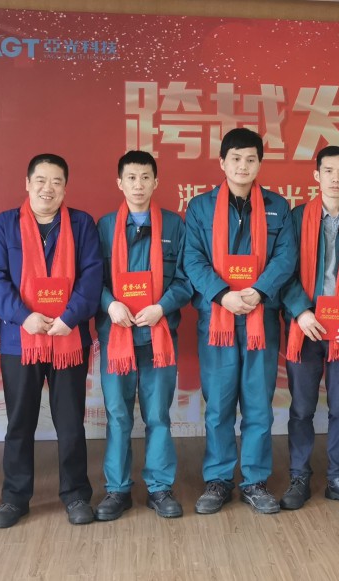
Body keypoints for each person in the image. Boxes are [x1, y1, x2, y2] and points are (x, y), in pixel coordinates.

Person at [0, 154, 102, 527]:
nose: (48, 188)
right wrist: (25, 317)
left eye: (56, 181)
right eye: (41, 180)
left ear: (65, 187)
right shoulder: (4, 225)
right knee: (19, 421)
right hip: (21, 340)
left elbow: (92, 276)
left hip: (69, 338)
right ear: (27, 183)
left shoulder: (82, 224)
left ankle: (76, 494)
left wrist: (70, 318)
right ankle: (14, 498)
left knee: (70, 422)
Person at [183, 128, 296, 515]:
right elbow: (193, 258)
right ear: (222, 162)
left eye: (250, 159)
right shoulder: (200, 208)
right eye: (235, 159)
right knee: (218, 405)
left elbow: (286, 257)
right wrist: (222, 294)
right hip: (217, 319)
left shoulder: (278, 206)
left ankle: (254, 481)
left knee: (258, 405)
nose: (243, 166)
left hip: (260, 318)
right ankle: (217, 480)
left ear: (260, 163)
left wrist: (259, 291)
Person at [279, 146, 339, 510]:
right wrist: (300, 312)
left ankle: (338, 477)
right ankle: (299, 476)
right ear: (316, 175)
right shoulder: (295, 218)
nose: (335, 178)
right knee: (302, 407)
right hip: (305, 327)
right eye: (328, 171)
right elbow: (283, 270)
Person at [95, 151, 192, 520]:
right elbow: (91, 279)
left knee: (158, 415)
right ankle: (117, 489)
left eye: (145, 177)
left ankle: (159, 488)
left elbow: (186, 278)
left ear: (156, 182)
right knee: (117, 415)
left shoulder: (174, 226)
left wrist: (162, 307)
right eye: (131, 178)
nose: (138, 185)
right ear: (119, 182)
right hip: (116, 337)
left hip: (158, 338)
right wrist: (109, 305)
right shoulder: (104, 227)